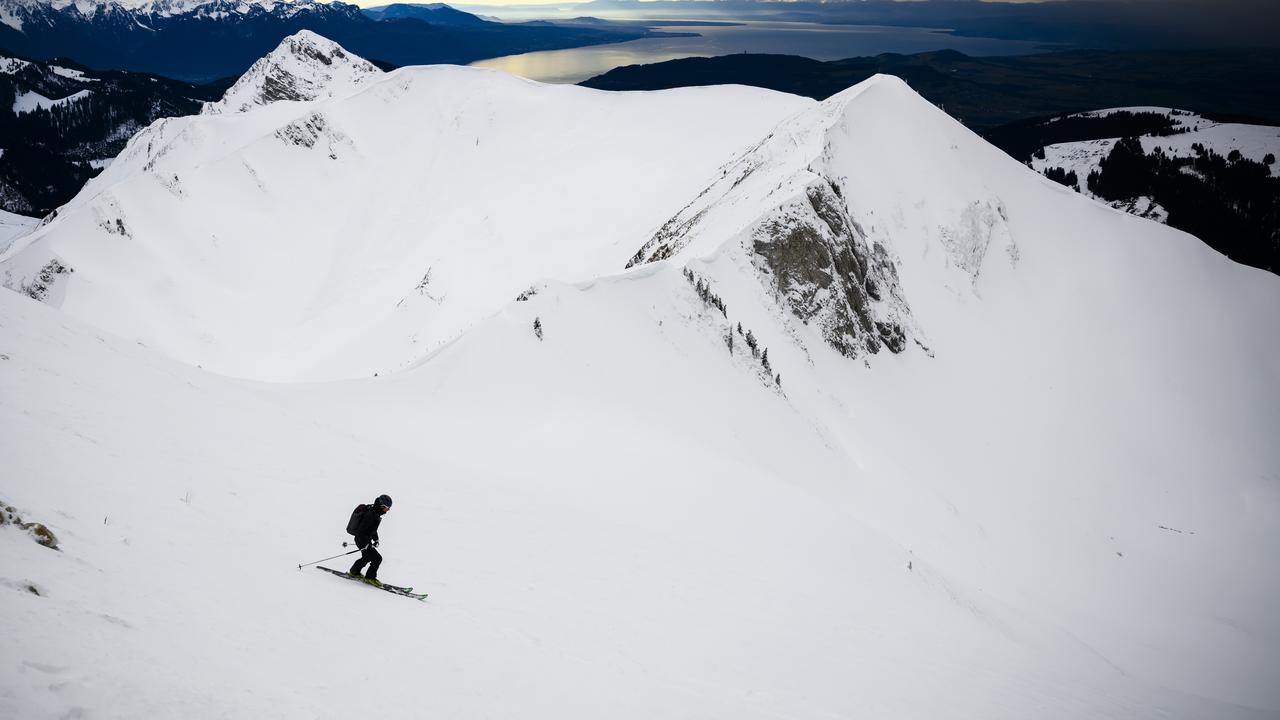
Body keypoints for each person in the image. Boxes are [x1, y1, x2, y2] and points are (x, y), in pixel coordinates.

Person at [349, 494, 392, 585]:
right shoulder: (371, 514)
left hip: (363, 540)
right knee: (377, 559)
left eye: (388, 509)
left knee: (366, 557)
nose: (387, 511)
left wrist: (376, 540)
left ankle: (354, 571)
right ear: (381, 505)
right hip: (361, 539)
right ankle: (370, 577)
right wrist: (366, 543)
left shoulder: (375, 513)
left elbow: (372, 529)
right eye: (387, 508)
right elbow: (361, 531)